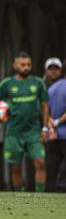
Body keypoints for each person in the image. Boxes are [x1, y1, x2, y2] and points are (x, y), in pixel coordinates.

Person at [0, 52, 49, 191]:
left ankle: (40, 195)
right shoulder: (7, 84)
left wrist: (45, 128)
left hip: (34, 131)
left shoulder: (38, 83)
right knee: (15, 167)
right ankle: (19, 195)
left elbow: (44, 106)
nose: (26, 67)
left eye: (28, 65)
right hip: (14, 132)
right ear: (15, 65)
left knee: (40, 162)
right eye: (23, 64)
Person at [46, 59, 66, 192]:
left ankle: (50, 191)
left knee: (52, 167)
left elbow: (44, 110)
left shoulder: (52, 88)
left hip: (52, 134)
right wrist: (58, 122)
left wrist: (51, 125)